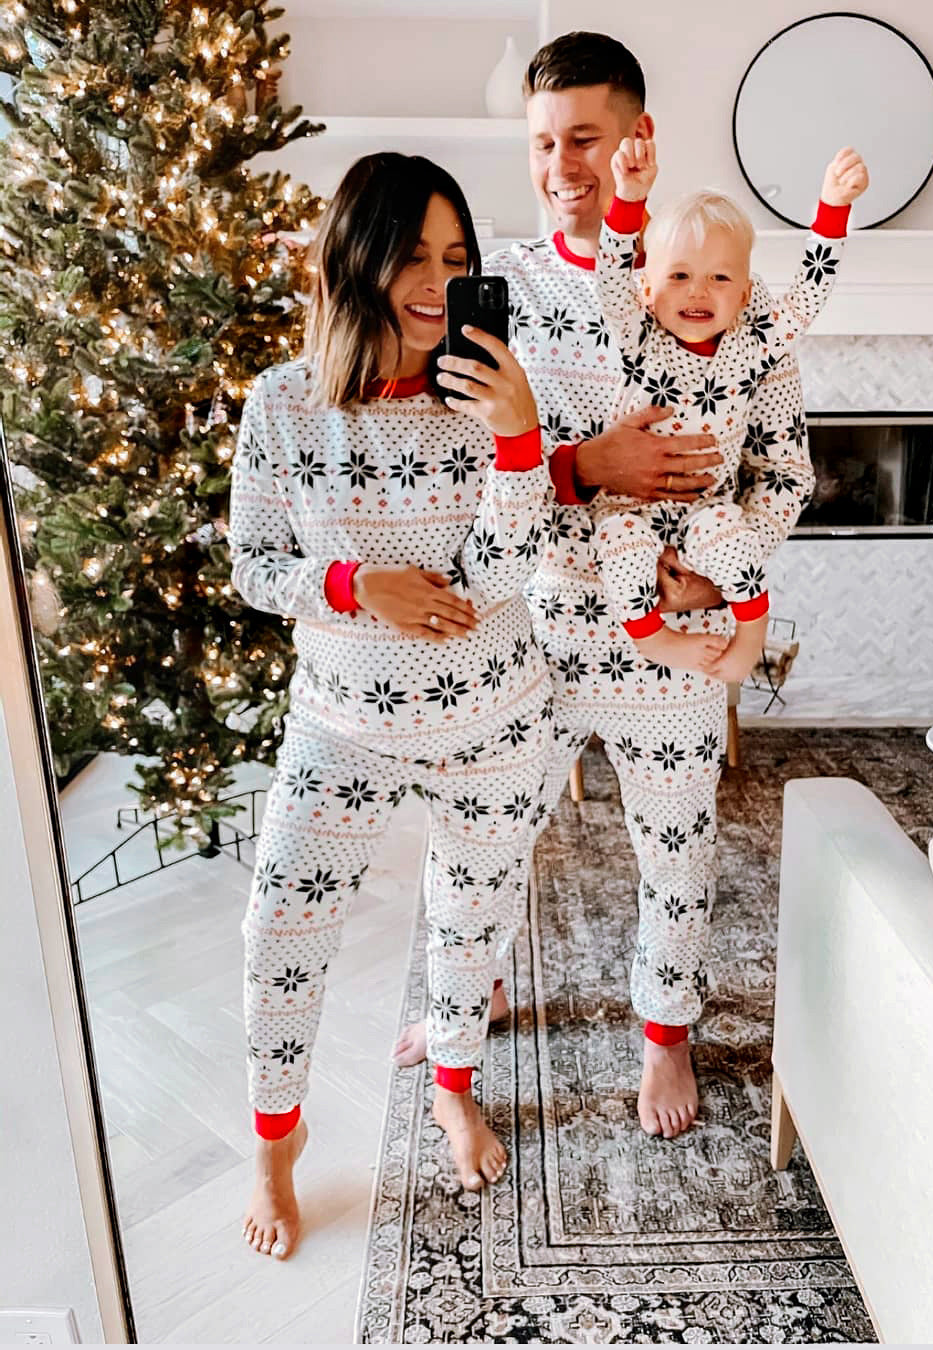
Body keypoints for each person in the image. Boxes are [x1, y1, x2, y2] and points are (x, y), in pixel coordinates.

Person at [442, 31, 819, 1142]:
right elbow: (467, 484)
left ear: (638, 141)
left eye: (587, 139)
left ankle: (666, 1036)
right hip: (537, 635)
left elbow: (786, 469)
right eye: (544, 143)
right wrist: (583, 468)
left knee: (679, 845)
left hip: (684, 641)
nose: (562, 165)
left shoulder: (725, 290)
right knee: (484, 832)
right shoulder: (494, 294)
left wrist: (718, 560)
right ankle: (477, 993)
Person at [228, 151, 553, 1260]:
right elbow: (252, 562)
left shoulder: (491, 397)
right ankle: (275, 1142)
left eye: (457, 259)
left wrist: (518, 433)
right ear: (356, 255)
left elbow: (511, 569)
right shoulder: (281, 403)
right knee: (281, 927)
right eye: (413, 253)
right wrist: (352, 584)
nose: (435, 280)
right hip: (342, 719)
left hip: (492, 718)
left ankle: (451, 1084)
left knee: (472, 919)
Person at [591, 136, 867, 676]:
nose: (698, 292)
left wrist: (833, 209)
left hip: (705, 508)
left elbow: (808, 294)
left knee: (737, 545)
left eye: (719, 278)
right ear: (646, 289)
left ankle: (751, 638)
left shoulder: (754, 345)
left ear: (744, 294)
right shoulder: (638, 336)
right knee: (620, 553)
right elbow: (609, 278)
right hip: (629, 506)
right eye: (679, 276)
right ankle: (653, 639)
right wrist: (628, 198)